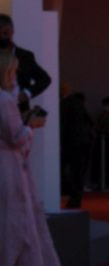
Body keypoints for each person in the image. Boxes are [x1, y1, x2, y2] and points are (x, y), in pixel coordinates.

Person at [0, 49, 60, 265]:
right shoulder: (5, 100)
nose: (16, 75)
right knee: (17, 223)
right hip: (9, 168)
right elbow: (16, 137)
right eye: (14, 71)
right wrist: (30, 126)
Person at [0, 14, 51, 115]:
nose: (2, 37)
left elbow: (45, 79)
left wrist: (27, 93)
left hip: (20, 112)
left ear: (12, 32)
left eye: (5, 33)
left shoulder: (25, 56)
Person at [60, 88, 94, 208]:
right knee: (77, 172)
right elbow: (89, 120)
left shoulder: (63, 104)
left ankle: (71, 193)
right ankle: (76, 197)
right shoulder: (78, 103)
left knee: (64, 170)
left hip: (70, 143)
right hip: (81, 142)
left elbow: (62, 124)